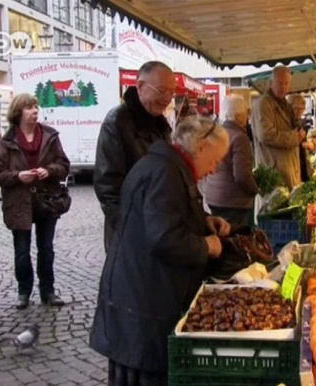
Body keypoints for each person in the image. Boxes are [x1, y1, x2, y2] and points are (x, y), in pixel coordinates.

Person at [89, 116, 231, 385]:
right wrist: (205, 245)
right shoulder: (165, 172)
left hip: (141, 297)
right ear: (200, 147)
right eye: (216, 159)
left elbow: (168, 215)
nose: (215, 168)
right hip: (140, 305)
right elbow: (164, 237)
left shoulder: (170, 166)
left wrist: (202, 221)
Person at [0, 93, 70, 310]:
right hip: (19, 202)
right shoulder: (7, 141)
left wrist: (49, 171)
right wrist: (18, 176)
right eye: (29, 108)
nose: (35, 111)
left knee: (46, 249)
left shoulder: (49, 136)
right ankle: (23, 292)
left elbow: (64, 165)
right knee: (22, 250)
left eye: (36, 107)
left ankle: (48, 290)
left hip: (47, 200)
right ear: (18, 112)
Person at [94, 61, 176, 252]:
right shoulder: (117, 121)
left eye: (171, 92)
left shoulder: (159, 124)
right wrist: (130, 228)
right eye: (162, 90)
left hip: (156, 226)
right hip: (132, 233)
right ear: (140, 86)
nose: (167, 98)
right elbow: (108, 187)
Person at [204, 95, 259, 226]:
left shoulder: (216, 133)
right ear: (238, 116)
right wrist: (255, 190)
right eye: (246, 113)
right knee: (238, 241)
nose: (247, 117)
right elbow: (242, 176)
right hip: (234, 201)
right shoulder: (240, 138)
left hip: (213, 197)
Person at [251, 65, 305, 189]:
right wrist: (295, 137)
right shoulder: (263, 104)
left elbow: (291, 125)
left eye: (286, 83)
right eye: (280, 83)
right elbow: (266, 135)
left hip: (286, 170)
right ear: (271, 83)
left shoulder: (284, 104)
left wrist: (300, 131)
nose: (284, 87)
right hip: (274, 173)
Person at [287, 94, 315, 182]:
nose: (298, 111)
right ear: (289, 108)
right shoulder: (287, 123)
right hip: (292, 165)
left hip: (301, 162)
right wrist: (303, 144)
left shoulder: (298, 121)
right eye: (295, 108)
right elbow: (286, 143)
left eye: (301, 109)